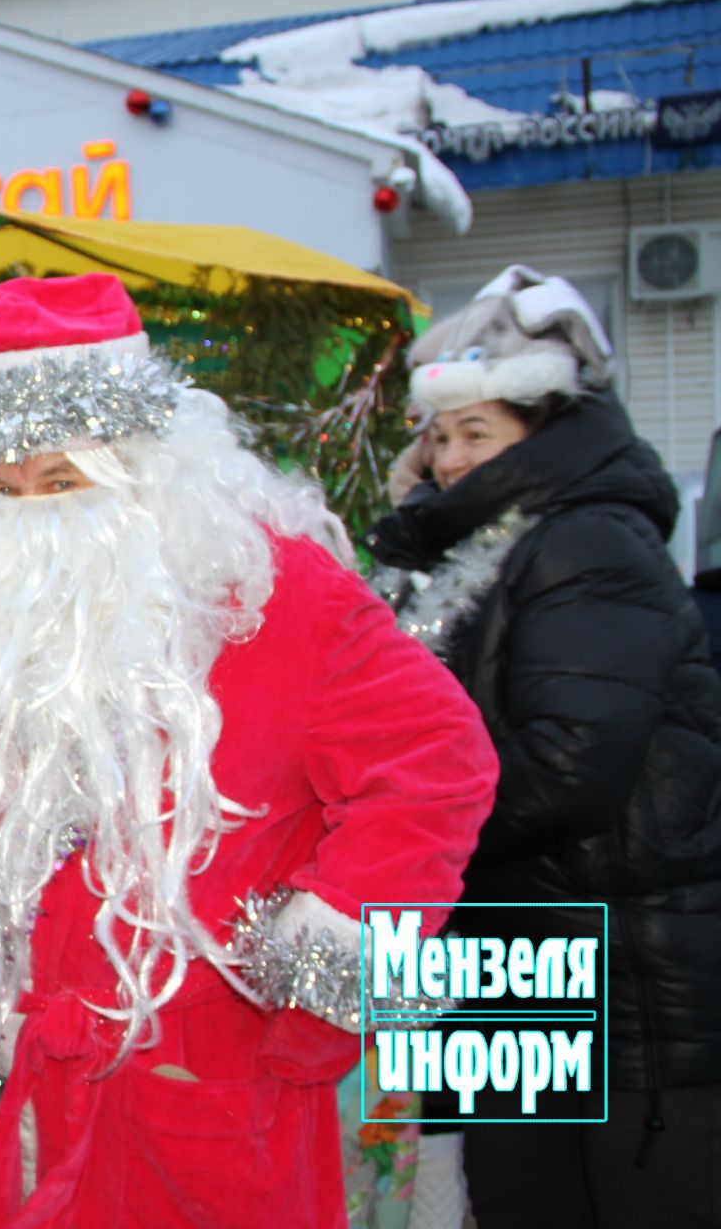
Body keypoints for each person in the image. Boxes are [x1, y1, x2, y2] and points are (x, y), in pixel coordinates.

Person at [0, 274, 498, 1229]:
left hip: (215, 1087)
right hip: (22, 1089)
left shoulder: (265, 586)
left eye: (61, 481)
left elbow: (436, 761)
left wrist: (326, 979)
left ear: (136, 470)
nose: (28, 512)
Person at [366, 265, 721, 1228]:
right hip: (517, 948)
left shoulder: (585, 542)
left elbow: (571, 765)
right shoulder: (478, 553)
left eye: (476, 433)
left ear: (545, 434)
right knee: (513, 1199)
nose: (444, 460)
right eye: (438, 435)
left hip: (611, 972)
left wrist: (405, 840)